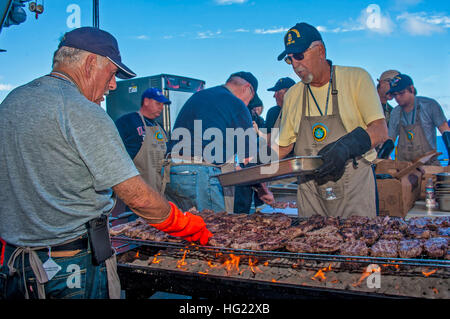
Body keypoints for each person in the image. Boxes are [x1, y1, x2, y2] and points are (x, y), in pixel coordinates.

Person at [0, 27, 212, 300]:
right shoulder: (81, 110)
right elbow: (137, 196)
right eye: (112, 73)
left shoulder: (12, 101)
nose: (113, 85)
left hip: (17, 264)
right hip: (71, 266)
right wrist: (185, 224)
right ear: (90, 63)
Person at [273, 22, 388, 218]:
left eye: (299, 56)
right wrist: (258, 164)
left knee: (357, 245)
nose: (294, 64)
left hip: (354, 188)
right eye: (289, 59)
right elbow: (283, 146)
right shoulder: (293, 95)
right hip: (310, 192)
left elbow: (379, 130)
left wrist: (345, 147)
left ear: (320, 50)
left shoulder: (356, 78)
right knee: (308, 245)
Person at [165, 71, 274, 213]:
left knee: (184, 230)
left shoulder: (200, 95)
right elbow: (249, 160)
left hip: (173, 172)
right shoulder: (237, 104)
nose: (247, 104)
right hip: (200, 175)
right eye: (250, 99)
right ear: (247, 88)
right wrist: (263, 190)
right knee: (214, 230)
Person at [115, 88, 171, 193]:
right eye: (158, 103)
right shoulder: (127, 122)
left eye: (163, 105)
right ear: (146, 101)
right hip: (137, 190)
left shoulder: (160, 128)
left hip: (159, 189)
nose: (161, 108)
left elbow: (168, 153)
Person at [386, 73, 450, 165]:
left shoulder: (430, 105)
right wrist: (381, 159)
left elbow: (445, 130)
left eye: (401, 93)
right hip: (404, 168)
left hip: (428, 166)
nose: (398, 98)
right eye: (395, 95)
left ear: (411, 89)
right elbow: (390, 140)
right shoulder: (395, 112)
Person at [265, 77, 296, 147]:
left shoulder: (302, 110)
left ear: (288, 93)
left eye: (277, 92)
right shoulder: (273, 112)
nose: (274, 96)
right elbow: (269, 141)